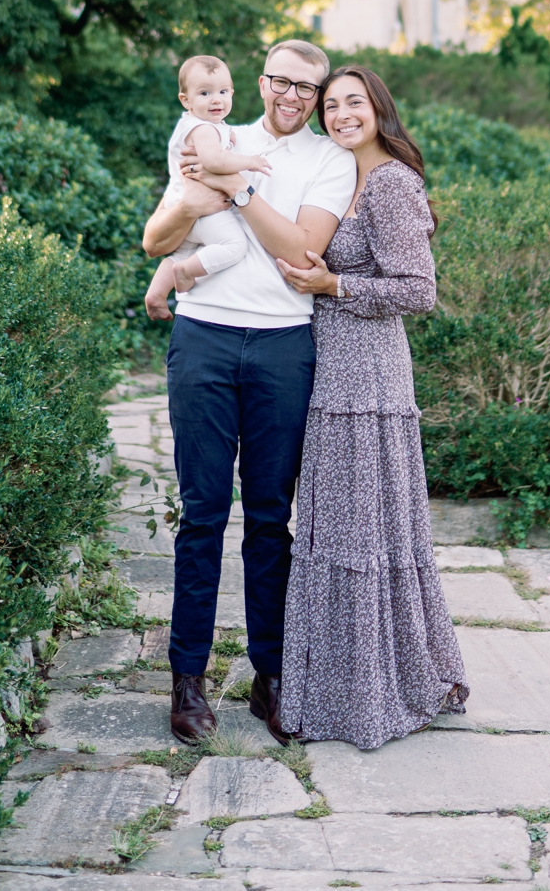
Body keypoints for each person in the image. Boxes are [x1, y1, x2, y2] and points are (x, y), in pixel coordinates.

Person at [142, 39, 357, 744]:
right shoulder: (215, 131)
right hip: (203, 337)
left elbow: (302, 252)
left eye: (310, 87)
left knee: (270, 516)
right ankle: (187, 679)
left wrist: (234, 189)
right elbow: (157, 234)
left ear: (319, 94)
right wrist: (185, 221)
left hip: (283, 346)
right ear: (261, 81)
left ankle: (271, 674)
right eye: (284, 81)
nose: (295, 96)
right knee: (201, 513)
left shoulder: (330, 159)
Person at [274, 64, 469, 751]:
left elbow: (418, 289)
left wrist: (334, 283)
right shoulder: (341, 177)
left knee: (365, 535)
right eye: (331, 104)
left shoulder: (390, 183)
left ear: (379, 108)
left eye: (353, 101)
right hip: (332, 376)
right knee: (335, 531)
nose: (340, 114)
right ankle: (331, 686)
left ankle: (375, 692)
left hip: (371, 384)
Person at [144, 55, 273, 319]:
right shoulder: (202, 129)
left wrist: (227, 137)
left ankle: (156, 294)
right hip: (203, 210)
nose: (216, 99)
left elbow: (217, 146)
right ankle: (186, 272)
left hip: (181, 205)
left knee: (183, 251)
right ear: (186, 100)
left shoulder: (206, 126)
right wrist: (250, 161)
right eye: (205, 93)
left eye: (223, 92)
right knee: (234, 245)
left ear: (232, 93)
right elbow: (214, 160)